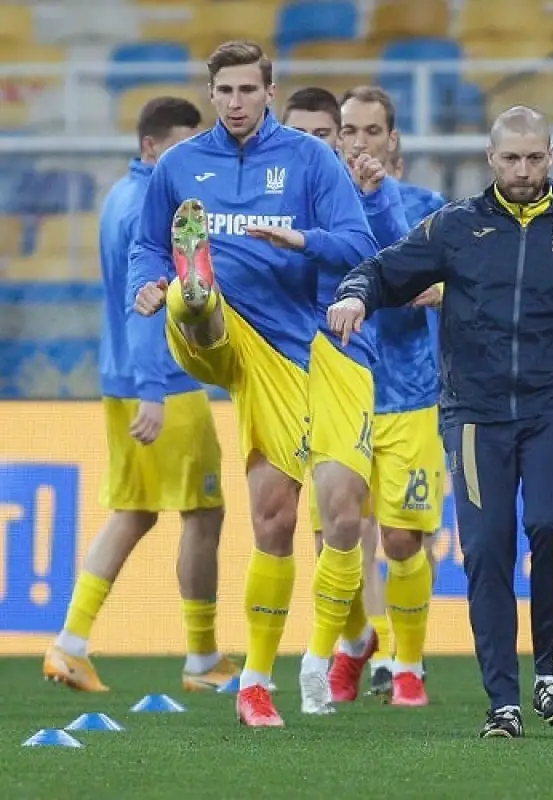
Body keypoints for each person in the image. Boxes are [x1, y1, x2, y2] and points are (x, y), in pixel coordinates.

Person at [328, 106, 553, 739]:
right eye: (511, 158)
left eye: (534, 157)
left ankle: (552, 677)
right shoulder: (454, 228)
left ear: (551, 157)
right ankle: (502, 701)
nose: (523, 169)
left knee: (549, 529)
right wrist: (354, 294)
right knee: (484, 550)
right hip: (477, 413)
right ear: (491, 159)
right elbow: (384, 268)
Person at [129, 40, 378, 727]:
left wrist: (303, 241)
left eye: (247, 90)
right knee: (188, 300)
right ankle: (254, 684)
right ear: (212, 95)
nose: (235, 102)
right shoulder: (179, 166)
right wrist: (145, 284)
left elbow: (360, 247)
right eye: (225, 92)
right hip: (243, 347)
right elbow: (146, 243)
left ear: (269, 91)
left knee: (323, 515)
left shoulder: (310, 161)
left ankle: (316, 661)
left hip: (318, 350)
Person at [43, 97, 235, 694]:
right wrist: (154, 389)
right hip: (162, 385)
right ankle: (201, 660)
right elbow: (143, 304)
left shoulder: (123, 198)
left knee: (136, 511)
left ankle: (71, 643)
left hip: (124, 379)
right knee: (203, 512)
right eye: (178, 149)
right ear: (151, 147)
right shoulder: (145, 209)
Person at [321, 85, 443, 708]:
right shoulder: (319, 205)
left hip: (411, 392)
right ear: (337, 138)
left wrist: (443, 288)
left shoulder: (428, 209)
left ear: (393, 140)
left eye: (373, 131)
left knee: (400, 541)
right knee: (334, 532)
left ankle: (409, 663)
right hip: (339, 392)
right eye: (351, 131)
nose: (361, 143)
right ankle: (356, 639)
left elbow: (427, 272)